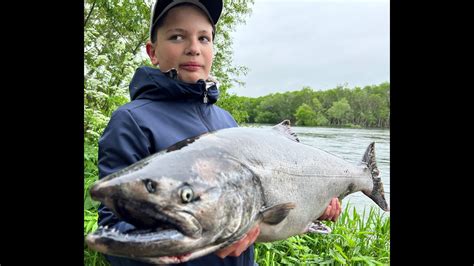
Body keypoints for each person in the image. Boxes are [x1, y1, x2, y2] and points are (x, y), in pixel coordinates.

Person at [96, 0, 342, 265]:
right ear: (152, 51)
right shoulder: (131, 121)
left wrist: (313, 206)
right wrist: (177, 251)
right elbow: (113, 231)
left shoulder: (226, 120)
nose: (193, 48)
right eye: (177, 36)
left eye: (204, 38)